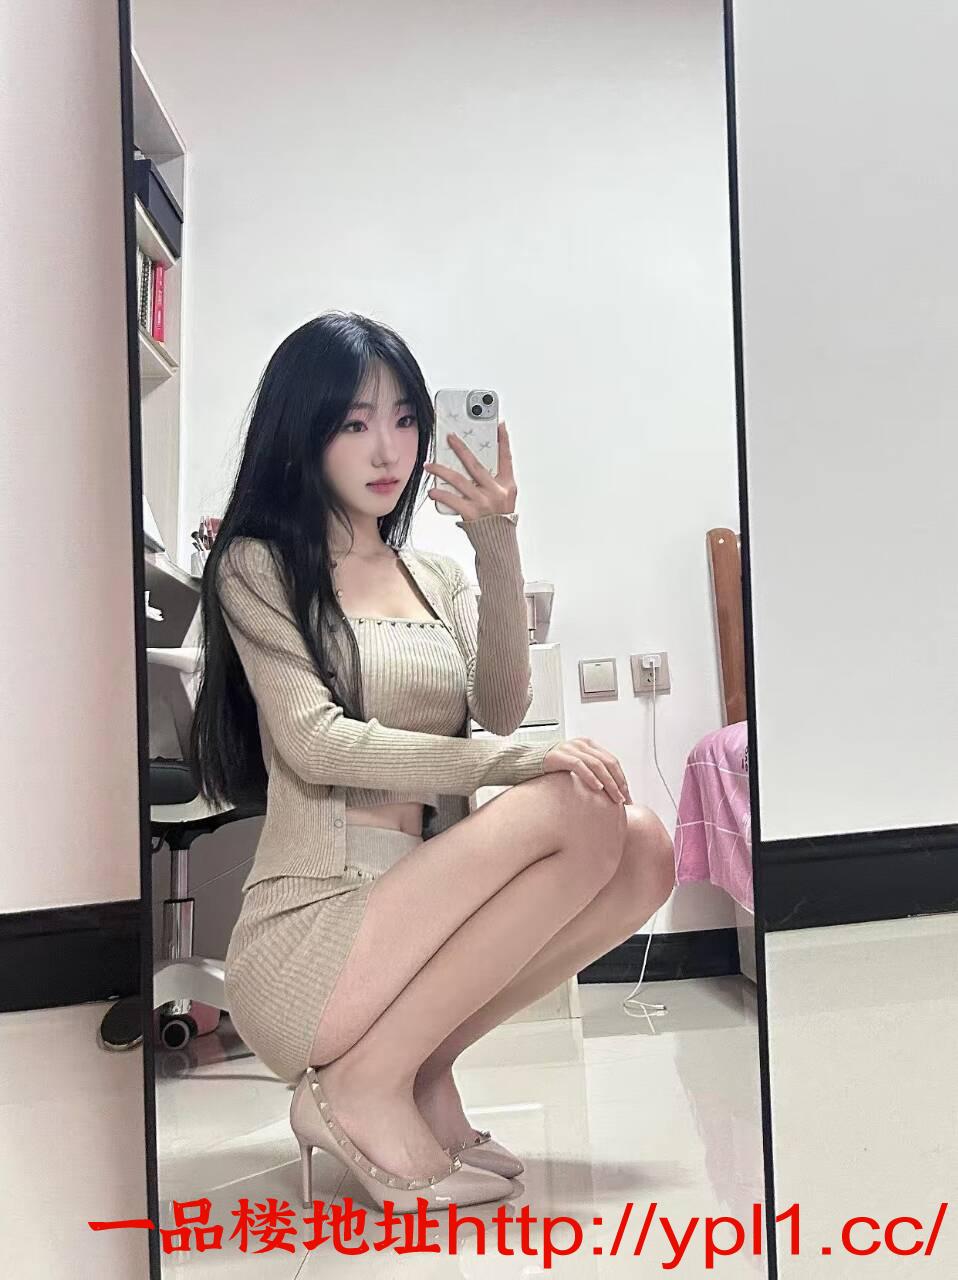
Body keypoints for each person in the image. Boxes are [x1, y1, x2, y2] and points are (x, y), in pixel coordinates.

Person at [190, 311, 675, 1211]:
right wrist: (512, 766)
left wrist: (498, 535)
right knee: (574, 801)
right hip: (316, 936)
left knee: (642, 847)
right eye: (354, 422)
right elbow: (315, 742)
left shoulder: (434, 576)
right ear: (304, 431)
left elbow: (500, 708)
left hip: (419, 913)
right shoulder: (258, 565)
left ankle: (416, 1069)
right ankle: (362, 1087)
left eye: (406, 419)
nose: (389, 449)